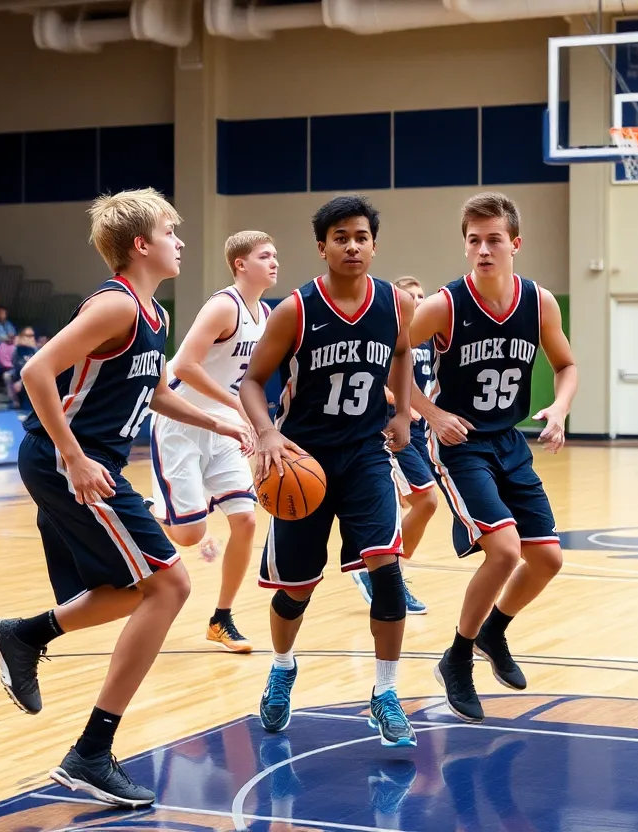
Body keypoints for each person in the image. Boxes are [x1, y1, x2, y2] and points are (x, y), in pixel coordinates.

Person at [0, 188, 249, 808]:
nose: (180, 240)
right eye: (170, 231)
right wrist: (72, 457)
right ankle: (90, 754)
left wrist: (220, 422)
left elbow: (151, 392)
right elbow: (35, 372)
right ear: (140, 245)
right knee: (171, 585)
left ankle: (24, 635)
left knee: (135, 591)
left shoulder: (152, 315)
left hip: (88, 462)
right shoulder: (115, 306)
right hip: (68, 460)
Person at [238, 195, 417, 747]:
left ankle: (385, 693)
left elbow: (403, 354)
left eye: (361, 236)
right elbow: (252, 380)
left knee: (388, 573)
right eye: (340, 237)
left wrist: (405, 412)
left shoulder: (393, 302)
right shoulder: (295, 309)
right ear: (322, 247)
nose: (352, 245)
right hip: (303, 460)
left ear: (374, 244)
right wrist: (267, 433)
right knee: (295, 591)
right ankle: (283, 666)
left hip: (365, 455)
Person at [408, 192, 578, 724]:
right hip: (460, 444)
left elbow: (567, 364)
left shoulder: (539, 302)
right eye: (474, 241)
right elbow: (387, 358)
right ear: (465, 246)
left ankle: (493, 631)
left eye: (494, 240)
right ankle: (456, 658)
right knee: (504, 550)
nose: (483, 250)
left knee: (547, 558)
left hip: (509, 441)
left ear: (515, 244)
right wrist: (429, 412)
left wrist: (559, 408)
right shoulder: (442, 305)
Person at [149, 230, 277, 654]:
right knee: (189, 536)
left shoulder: (264, 313)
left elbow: (243, 380)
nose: (275, 261)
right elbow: (184, 364)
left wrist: (254, 421)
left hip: (223, 422)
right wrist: (235, 408)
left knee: (245, 520)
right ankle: (151, 512)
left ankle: (221, 619)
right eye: (265, 255)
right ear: (241, 264)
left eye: (274, 255)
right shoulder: (224, 305)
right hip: (181, 420)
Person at [350, 275, 436, 615]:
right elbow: (371, 378)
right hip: (390, 427)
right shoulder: (385, 336)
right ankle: (384, 575)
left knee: (409, 503)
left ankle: (380, 568)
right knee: (426, 501)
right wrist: (402, 403)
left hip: (420, 432)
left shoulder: (428, 339)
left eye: (422, 295)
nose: (417, 300)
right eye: (410, 296)